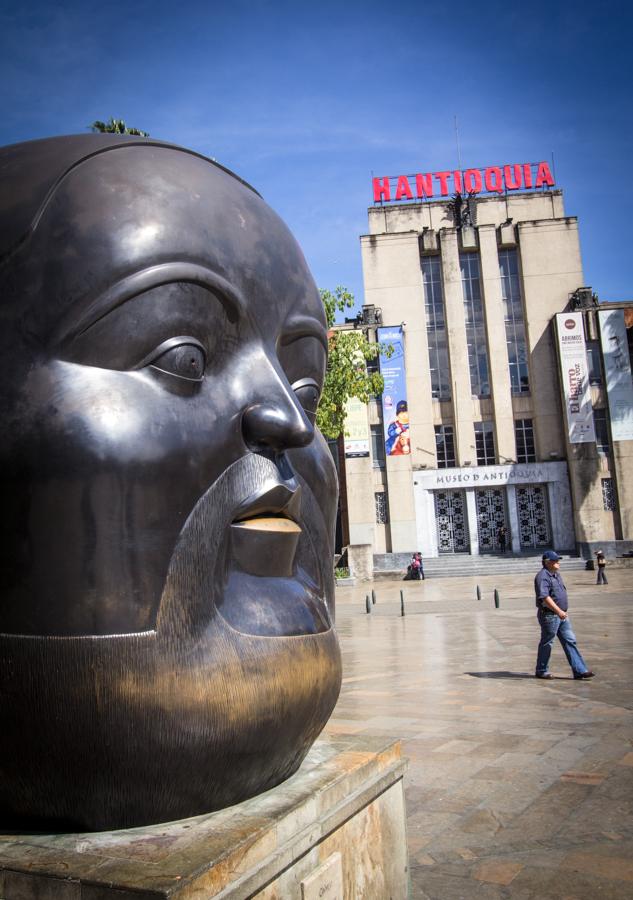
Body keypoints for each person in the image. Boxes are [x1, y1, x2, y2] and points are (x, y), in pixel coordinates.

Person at [534, 551, 595, 680]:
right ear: (547, 562)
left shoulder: (556, 575)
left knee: (570, 640)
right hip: (550, 616)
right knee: (547, 643)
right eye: (555, 561)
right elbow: (545, 597)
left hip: (562, 615)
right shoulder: (542, 576)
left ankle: (580, 670)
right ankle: (541, 670)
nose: (558, 562)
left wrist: (562, 612)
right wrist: (558, 611)